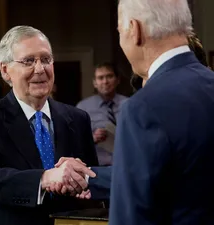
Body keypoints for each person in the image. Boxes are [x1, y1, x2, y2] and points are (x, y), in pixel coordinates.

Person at [50, 0, 214, 224]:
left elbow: (131, 215)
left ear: (134, 30)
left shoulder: (141, 107)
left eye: (120, 31)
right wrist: (88, 177)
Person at [0, 25, 99, 225]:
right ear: (5, 70)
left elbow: (91, 176)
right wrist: (44, 178)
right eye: (28, 61)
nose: (40, 69)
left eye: (46, 59)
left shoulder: (78, 118)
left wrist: (84, 186)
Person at [76, 62, 128, 165]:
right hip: (97, 167)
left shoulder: (129, 104)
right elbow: (74, 141)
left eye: (109, 76)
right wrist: (92, 138)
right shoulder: (83, 108)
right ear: (95, 83)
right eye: (100, 78)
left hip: (127, 164)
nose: (105, 81)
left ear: (118, 80)